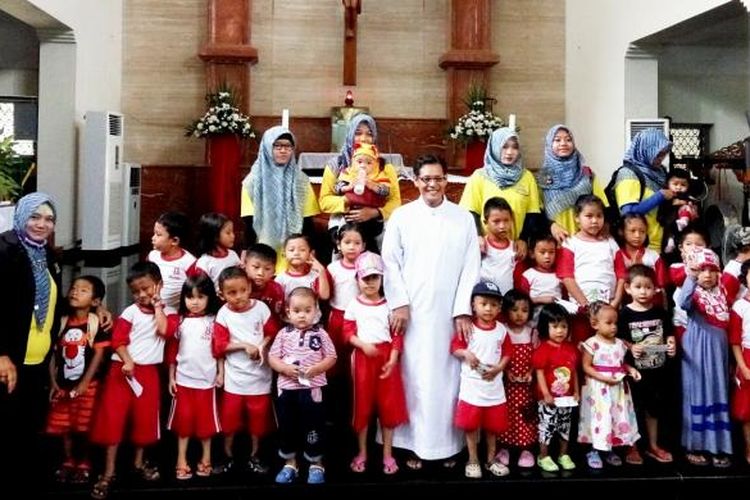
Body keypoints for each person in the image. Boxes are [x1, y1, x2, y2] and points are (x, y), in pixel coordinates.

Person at [382, 154, 480, 467]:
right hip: (413, 310)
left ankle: (448, 446)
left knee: (448, 376)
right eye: (426, 179)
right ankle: (412, 445)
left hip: (450, 312)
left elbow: (470, 267)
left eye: (438, 178)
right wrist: (399, 303)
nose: (432, 184)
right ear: (415, 181)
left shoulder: (463, 217)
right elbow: (390, 262)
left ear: (446, 181)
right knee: (414, 376)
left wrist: (463, 309)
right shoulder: (401, 216)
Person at [90, 262, 169, 499]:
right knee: (112, 420)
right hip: (121, 369)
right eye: (136, 291)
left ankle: (138, 462)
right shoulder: (129, 312)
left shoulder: (169, 312)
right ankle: (108, 471)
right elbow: (118, 340)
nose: (142, 295)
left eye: (147, 289)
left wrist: (157, 308)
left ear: (159, 285)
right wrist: (127, 360)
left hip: (148, 373)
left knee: (145, 419)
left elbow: (164, 330)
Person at [0, 192, 63, 485]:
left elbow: (55, 302)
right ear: (22, 215)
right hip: (8, 360)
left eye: (49, 219)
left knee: (29, 424)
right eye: (35, 216)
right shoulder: (4, 248)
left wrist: (98, 308)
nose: (42, 224)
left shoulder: (47, 254)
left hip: (38, 359)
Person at [344, 251, 408, 475]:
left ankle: (387, 454)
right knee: (362, 407)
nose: (370, 282)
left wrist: (393, 357)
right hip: (363, 358)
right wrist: (362, 345)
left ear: (382, 279)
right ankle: (362, 452)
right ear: (357, 279)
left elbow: (397, 334)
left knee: (388, 406)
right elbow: (347, 332)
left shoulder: (389, 305)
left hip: (386, 358)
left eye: (375, 277)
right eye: (365, 278)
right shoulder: (354, 305)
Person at [212, 266, 278, 476]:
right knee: (229, 421)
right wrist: (243, 346)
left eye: (242, 290)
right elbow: (218, 346)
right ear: (222, 294)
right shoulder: (223, 315)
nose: (238, 296)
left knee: (258, 422)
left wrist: (261, 346)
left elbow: (271, 333)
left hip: (260, 377)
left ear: (249, 287)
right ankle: (227, 455)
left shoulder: (261, 309)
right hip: (235, 378)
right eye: (231, 293)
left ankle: (255, 455)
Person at [268, 287, 337, 484]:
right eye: (297, 311)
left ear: (316, 311)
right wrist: (285, 369)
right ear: (288, 312)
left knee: (314, 425)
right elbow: (272, 357)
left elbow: (332, 356)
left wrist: (317, 368)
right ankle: (290, 463)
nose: (302, 315)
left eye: (308, 310)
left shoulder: (320, 333)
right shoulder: (284, 333)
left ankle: (316, 464)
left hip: (312, 389)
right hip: (287, 389)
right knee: (287, 426)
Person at [46, 275, 109, 484]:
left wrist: (85, 383)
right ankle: (68, 461)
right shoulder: (61, 322)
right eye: (74, 288)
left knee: (83, 426)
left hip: (87, 387)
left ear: (95, 301)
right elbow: (53, 354)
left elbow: (99, 355)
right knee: (64, 426)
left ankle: (84, 463)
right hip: (63, 386)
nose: (75, 292)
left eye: (83, 290)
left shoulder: (94, 323)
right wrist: (53, 382)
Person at [451, 281, 512, 478]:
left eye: (493, 305)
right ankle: (472, 459)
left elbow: (507, 352)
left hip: (494, 388)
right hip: (472, 387)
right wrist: (466, 354)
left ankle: (490, 460)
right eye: (483, 303)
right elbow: (454, 347)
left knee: (493, 427)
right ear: (473, 305)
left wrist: (499, 368)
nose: (488, 308)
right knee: (470, 426)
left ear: (500, 308)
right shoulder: (469, 328)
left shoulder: (501, 330)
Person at [678, 248, 733, 467]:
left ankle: (719, 446)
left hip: (718, 350)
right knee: (697, 393)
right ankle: (695, 445)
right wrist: (690, 277)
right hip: (697, 349)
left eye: (712, 270)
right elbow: (683, 302)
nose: (707, 275)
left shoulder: (723, 294)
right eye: (702, 270)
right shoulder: (694, 293)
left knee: (718, 391)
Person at [617, 265, 677, 465]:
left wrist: (671, 344)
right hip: (635, 372)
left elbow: (669, 334)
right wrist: (630, 346)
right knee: (633, 409)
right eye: (638, 287)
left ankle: (653, 445)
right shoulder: (624, 314)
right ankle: (632, 447)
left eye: (648, 287)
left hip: (658, 371)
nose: (643, 291)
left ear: (656, 289)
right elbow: (618, 339)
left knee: (654, 410)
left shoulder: (661, 312)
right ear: (627, 288)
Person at [165, 273, 222, 480]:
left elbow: (219, 350)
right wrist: (171, 377)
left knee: (206, 423)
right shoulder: (179, 321)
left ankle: (206, 458)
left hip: (207, 381)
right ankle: (181, 459)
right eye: (190, 297)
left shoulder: (216, 320)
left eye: (200, 297)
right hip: (183, 380)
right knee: (183, 422)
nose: (195, 302)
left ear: (209, 298)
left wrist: (220, 373)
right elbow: (172, 351)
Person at [240, 126, 320, 271]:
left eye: (288, 146)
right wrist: (247, 250)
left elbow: (307, 221)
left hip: (294, 251)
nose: (283, 150)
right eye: (277, 146)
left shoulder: (301, 180)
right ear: (267, 147)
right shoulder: (253, 181)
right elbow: (249, 221)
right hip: (263, 250)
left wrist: (311, 249)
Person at [318, 113, 401, 250]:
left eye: (369, 134)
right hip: (345, 221)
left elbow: (395, 201)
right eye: (358, 133)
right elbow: (324, 201)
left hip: (377, 223)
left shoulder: (385, 167)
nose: (364, 138)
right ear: (350, 135)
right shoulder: (336, 165)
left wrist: (375, 212)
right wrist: (351, 200)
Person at [460, 127, 542, 258]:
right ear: (494, 147)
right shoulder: (480, 176)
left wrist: (524, 239)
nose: (509, 152)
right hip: (486, 249)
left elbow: (532, 213)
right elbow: (470, 211)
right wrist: (478, 236)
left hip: (516, 249)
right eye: (504, 147)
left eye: (515, 147)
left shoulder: (527, 177)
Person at [577, 302, 641, 469]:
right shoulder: (591, 344)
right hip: (599, 390)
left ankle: (609, 449)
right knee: (600, 419)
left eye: (615, 323)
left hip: (617, 389)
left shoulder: (620, 344)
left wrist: (631, 370)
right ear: (594, 324)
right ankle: (594, 450)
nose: (614, 327)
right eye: (608, 323)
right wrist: (604, 379)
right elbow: (586, 366)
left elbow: (621, 364)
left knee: (614, 418)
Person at [556, 195, 621, 343]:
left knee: (607, 348)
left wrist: (616, 300)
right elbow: (567, 277)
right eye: (589, 216)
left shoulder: (610, 242)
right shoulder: (570, 244)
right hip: (581, 312)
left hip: (609, 309)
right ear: (577, 218)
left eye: (599, 216)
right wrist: (585, 305)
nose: (594, 220)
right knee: (583, 347)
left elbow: (621, 274)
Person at [537, 124, 609, 243]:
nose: (563, 143)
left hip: (588, 241)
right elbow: (537, 212)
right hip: (556, 241)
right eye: (557, 140)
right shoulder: (543, 177)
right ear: (549, 145)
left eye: (568, 139)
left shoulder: (586, 173)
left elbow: (603, 206)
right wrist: (551, 226)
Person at [531, 303, 579, 473]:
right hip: (548, 400)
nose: (560, 331)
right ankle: (543, 456)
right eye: (555, 326)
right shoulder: (543, 349)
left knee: (565, 427)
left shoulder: (571, 348)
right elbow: (539, 373)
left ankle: (563, 455)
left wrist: (576, 392)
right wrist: (545, 394)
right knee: (547, 426)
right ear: (545, 327)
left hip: (567, 399)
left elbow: (573, 372)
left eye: (564, 326)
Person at [613, 128, 674, 252]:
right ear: (645, 150)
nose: (661, 158)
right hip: (638, 246)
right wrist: (659, 196)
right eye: (658, 153)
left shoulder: (659, 173)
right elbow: (628, 213)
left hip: (660, 244)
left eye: (664, 153)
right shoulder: (628, 174)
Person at [496, 290, 538, 470]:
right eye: (514, 310)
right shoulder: (502, 330)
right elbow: (497, 354)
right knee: (507, 415)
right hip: (506, 385)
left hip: (527, 386)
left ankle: (526, 449)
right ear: (506, 311)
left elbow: (537, 356)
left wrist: (530, 372)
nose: (520, 314)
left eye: (524, 310)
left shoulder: (532, 331)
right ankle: (504, 447)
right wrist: (506, 372)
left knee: (526, 416)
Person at [328, 143, 394, 250]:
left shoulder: (379, 176)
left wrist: (373, 186)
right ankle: (342, 252)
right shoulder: (348, 174)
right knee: (343, 231)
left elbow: (386, 192)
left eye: (369, 163)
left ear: (375, 164)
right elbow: (337, 188)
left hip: (372, 217)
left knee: (370, 238)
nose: (363, 166)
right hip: (351, 213)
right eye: (359, 162)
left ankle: (371, 254)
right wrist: (348, 186)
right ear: (353, 163)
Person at [275, 233, 331, 324]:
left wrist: (321, 271)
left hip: (313, 323)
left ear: (311, 253)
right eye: (291, 250)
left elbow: (324, 296)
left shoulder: (315, 275)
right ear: (284, 254)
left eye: (302, 250)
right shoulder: (280, 279)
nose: (296, 253)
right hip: (288, 323)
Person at [148, 211, 196, 314]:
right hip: (150, 308)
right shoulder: (152, 256)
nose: (153, 238)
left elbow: (194, 289)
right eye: (154, 233)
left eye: (158, 234)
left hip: (174, 313)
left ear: (174, 241)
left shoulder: (189, 262)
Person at [729, 260, 750, 464]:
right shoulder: (739, 306)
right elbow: (735, 340)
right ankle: (749, 449)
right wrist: (742, 366)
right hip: (747, 357)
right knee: (747, 411)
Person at [479, 197, 517, 294]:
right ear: (486, 222)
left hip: (507, 301)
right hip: (485, 301)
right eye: (496, 221)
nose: (502, 226)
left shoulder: (514, 248)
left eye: (506, 220)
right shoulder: (480, 246)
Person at [195, 212, 241, 291]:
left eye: (233, 232)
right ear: (215, 236)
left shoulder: (233, 255)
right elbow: (202, 289)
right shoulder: (204, 262)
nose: (233, 236)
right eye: (228, 233)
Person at [657, 168, 698, 254]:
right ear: (668, 184)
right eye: (675, 184)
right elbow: (661, 211)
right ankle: (670, 241)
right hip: (668, 224)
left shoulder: (688, 197)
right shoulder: (665, 196)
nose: (678, 187)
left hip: (685, 231)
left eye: (683, 185)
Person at [244, 243, 286, 327]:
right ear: (245, 265)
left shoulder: (276, 290)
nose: (260, 273)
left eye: (267, 269)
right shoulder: (238, 285)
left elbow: (278, 317)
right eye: (256, 267)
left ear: (274, 270)